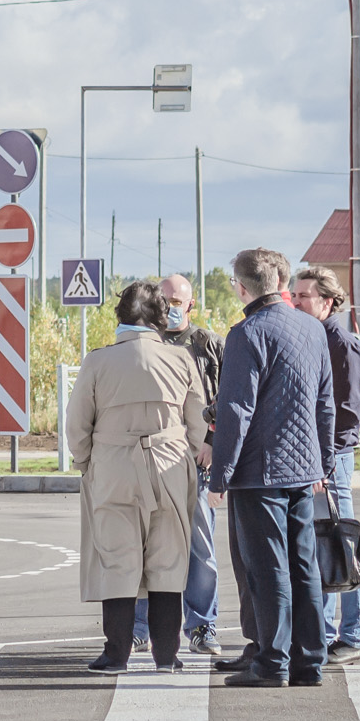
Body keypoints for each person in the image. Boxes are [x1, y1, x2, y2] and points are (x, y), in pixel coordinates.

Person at [65, 279, 210, 673]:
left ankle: (116, 655)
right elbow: (198, 421)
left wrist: (87, 463)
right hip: (169, 463)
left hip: (113, 465)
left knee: (118, 560)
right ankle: (167, 656)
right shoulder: (181, 360)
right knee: (168, 559)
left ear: (121, 315)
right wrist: (191, 457)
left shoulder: (98, 361)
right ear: (162, 317)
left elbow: (77, 425)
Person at [204, 248, 332, 688]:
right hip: (303, 469)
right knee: (304, 566)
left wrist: (219, 475)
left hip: (259, 472)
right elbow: (325, 404)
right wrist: (324, 462)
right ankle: (310, 662)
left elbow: (236, 410)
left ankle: (271, 663)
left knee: (267, 570)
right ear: (280, 280)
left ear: (242, 287)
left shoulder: (247, 333)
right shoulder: (313, 329)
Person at [132, 274, 225, 656]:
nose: (170, 306)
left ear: (190, 305)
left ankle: (202, 626)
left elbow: (226, 399)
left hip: (196, 463)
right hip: (150, 462)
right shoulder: (142, 342)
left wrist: (212, 443)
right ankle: (140, 627)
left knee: (199, 548)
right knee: (143, 547)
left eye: (177, 300)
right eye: (164, 298)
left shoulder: (208, 346)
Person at [289, 266, 360, 665]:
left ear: (328, 301)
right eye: (295, 295)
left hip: (332, 460)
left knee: (342, 544)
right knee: (320, 544)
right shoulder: (311, 337)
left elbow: (349, 413)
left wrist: (325, 461)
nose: (296, 301)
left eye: (304, 295)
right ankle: (322, 630)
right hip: (314, 459)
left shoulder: (342, 343)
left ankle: (351, 636)